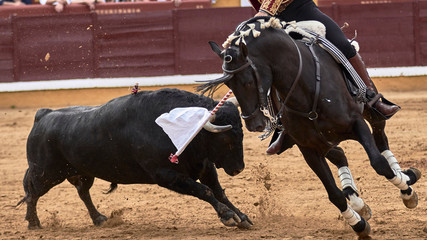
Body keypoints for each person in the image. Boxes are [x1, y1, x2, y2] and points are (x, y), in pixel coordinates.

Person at [247, 0, 400, 154]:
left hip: (302, 10)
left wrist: (264, 13)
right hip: (276, 20)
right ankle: (282, 126)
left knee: (342, 45)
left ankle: (372, 100)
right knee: (271, 66)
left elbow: (265, 8)